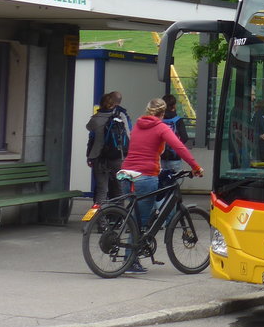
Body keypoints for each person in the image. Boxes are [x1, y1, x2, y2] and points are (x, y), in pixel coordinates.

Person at [119, 97, 203, 273]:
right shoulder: (161, 127)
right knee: (141, 221)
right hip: (145, 176)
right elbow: (179, 147)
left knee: (136, 215)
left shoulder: (138, 125)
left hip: (126, 174)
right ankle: (130, 261)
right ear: (163, 113)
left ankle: (131, 252)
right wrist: (195, 166)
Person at [85, 91, 131, 207]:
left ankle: (97, 216)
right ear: (113, 104)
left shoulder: (95, 119)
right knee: (119, 189)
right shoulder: (121, 116)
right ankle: (119, 215)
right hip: (116, 157)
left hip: (99, 157)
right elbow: (128, 135)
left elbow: (88, 128)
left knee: (101, 190)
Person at [158, 94, 190, 188]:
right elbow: (184, 137)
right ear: (174, 106)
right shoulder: (178, 120)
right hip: (174, 157)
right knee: (174, 183)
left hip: (160, 157)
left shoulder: (159, 120)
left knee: (162, 183)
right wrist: (176, 147)